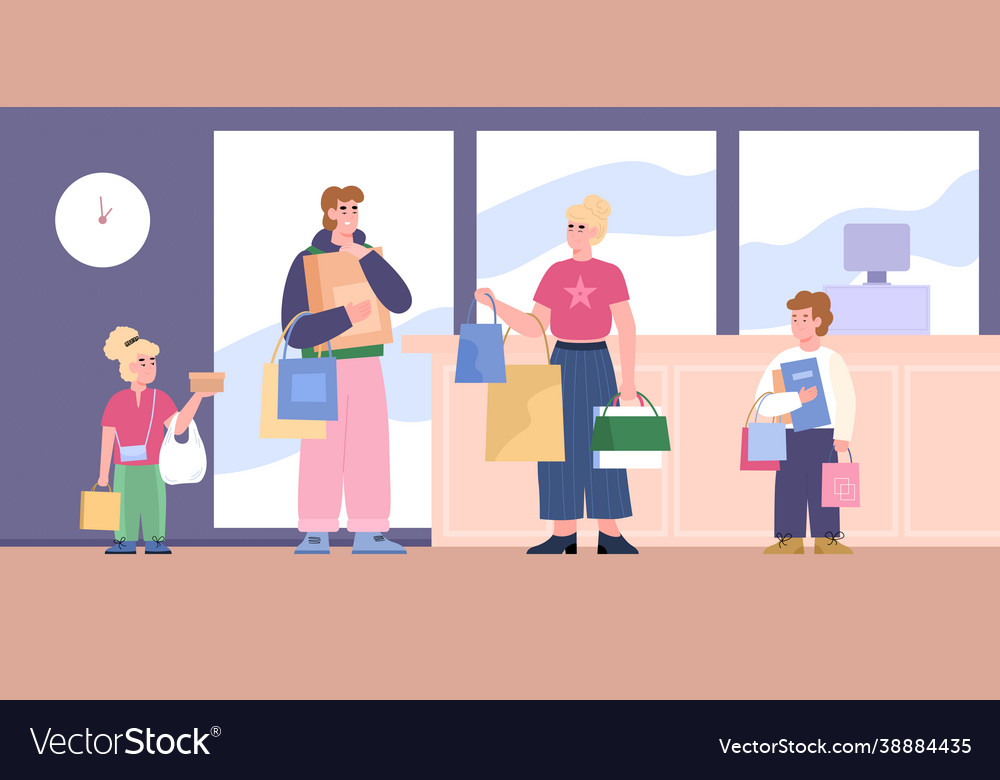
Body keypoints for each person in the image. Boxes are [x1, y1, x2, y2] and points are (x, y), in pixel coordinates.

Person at [476, 194, 640, 554]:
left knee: (603, 449)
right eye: (570, 226)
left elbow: (626, 327)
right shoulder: (555, 272)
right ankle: (562, 532)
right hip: (561, 359)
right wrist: (496, 304)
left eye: (581, 227)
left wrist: (628, 384)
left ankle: (609, 534)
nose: (573, 233)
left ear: (595, 232)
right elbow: (536, 327)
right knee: (555, 445)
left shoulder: (610, 273)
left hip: (599, 361)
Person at [281, 185, 412, 554]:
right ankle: (316, 531)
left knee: (369, 446)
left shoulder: (370, 256)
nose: (350, 214)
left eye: (355, 207)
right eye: (343, 208)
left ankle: (370, 531)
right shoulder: (307, 260)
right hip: (319, 366)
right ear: (329, 213)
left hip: (367, 362)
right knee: (320, 447)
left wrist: (367, 259)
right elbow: (293, 330)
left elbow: (401, 302)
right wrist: (344, 318)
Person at [755, 291, 856, 554]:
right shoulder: (782, 358)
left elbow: (847, 399)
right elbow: (763, 402)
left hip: (825, 435)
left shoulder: (832, 358)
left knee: (826, 487)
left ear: (818, 321)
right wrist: (796, 400)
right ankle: (790, 540)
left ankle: (827, 540)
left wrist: (843, 434)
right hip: (789, 434)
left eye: (804, 317)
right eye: (794, 318)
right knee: (789, 487)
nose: (798, 323)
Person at [99, 326, 215, 554]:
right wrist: (103, 475)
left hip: (153, 465)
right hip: (123, 468)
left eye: (153, 362)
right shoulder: (116, 400)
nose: (150, 367)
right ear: (130, 366)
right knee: (124, 507)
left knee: (154, 504)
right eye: (143, 362)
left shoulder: (160, 398)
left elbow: (178, 426)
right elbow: (107, 439)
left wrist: (198, 396)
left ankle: (155, 541)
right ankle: (124, 542)